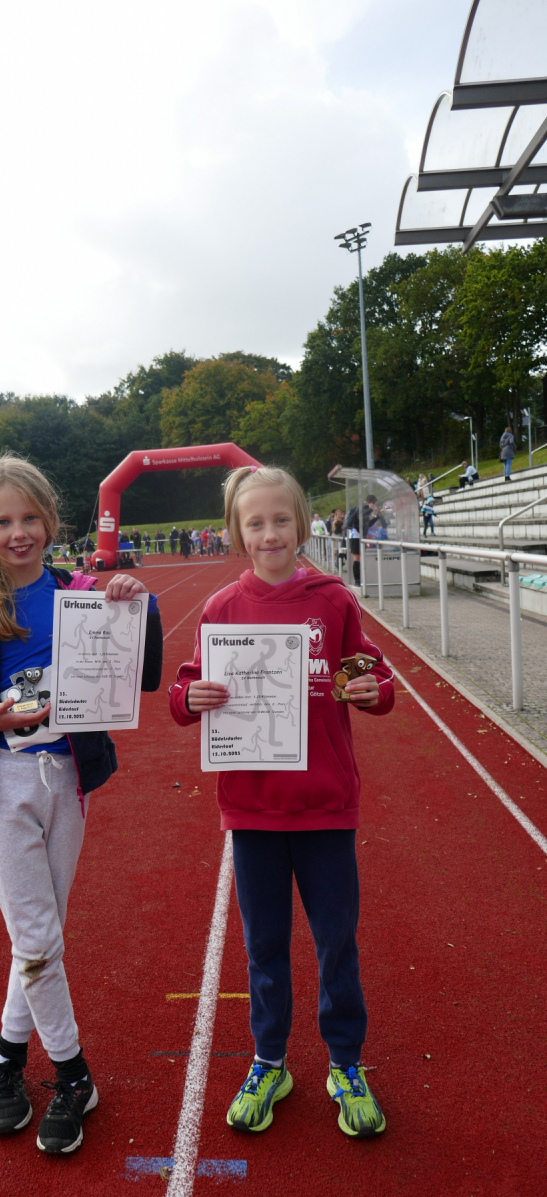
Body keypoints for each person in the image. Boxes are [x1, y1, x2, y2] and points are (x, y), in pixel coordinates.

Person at [0, 455, 164, 1155]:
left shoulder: (82, 592)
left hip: (68, 782)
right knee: (38, 936)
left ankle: (6, 1060)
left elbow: (143, 677)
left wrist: (140, 605)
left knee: (38, 936)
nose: (17, 532)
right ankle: (74, 1076)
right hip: (3, 786)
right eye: (2, 522)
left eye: (28, 518)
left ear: (49, 521)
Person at [169, 464, 393, 1140]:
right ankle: (270, 1061)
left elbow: (371, 674)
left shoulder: (334, 600)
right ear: (238, 532)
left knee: (336, 943)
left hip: (325, 807)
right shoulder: (221, 609)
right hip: (254, 811)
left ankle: (345, 1063)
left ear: (301, 524)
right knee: (264, 946)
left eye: (281, 520)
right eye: (256, 523)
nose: (270, 534)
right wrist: (189, 697)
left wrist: (373, 691)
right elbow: (186, 689)